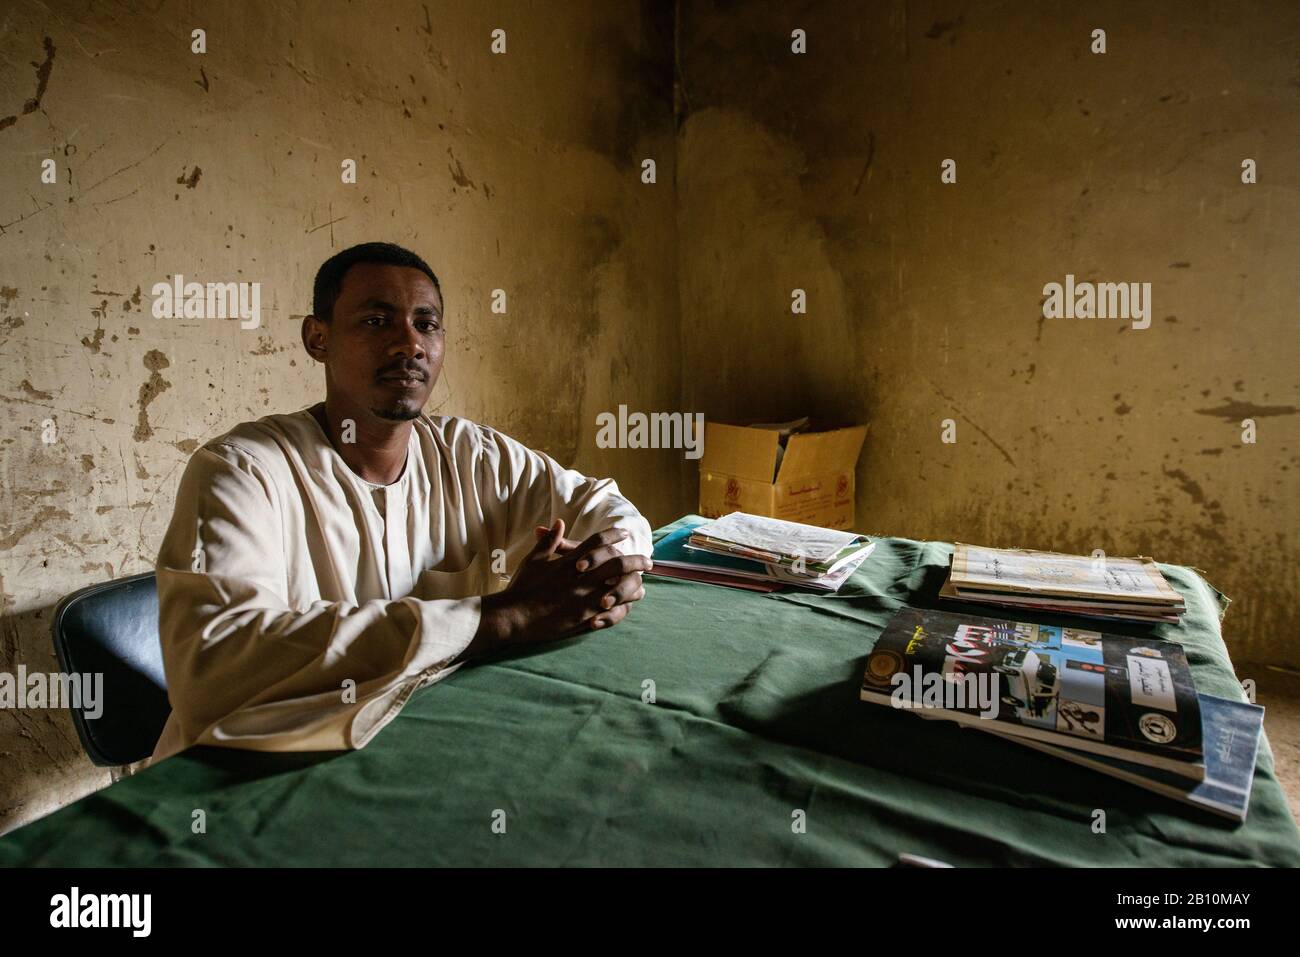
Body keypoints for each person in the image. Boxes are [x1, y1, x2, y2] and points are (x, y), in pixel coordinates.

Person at [149, 242, 653, 761]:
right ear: (317, 339)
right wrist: (500, 618)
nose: (408, 344)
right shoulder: (242, 469)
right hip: (247, 769)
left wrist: (605, 563)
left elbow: (602, 504)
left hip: (422, 743)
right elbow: (215, 665)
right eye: (376, 321)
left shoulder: (467, 452)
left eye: (426, 324)